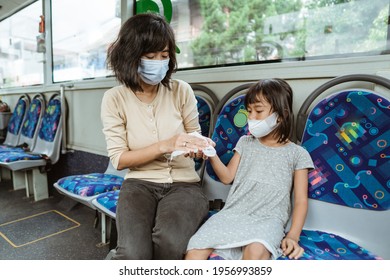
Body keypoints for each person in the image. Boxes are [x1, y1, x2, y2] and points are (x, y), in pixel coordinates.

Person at [101, 13, 211, 260]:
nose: (158, 62)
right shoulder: (114, 99)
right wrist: (166, 144)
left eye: (164, 56)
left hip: (185, 185)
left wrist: (198, 147)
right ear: (130, 56)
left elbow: (195, 136)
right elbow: (119, 159)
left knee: (170, 244)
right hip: (139, 183)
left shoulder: (181, 91)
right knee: (133, 254)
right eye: (150, 57)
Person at [185, 79, 314, 260]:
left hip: (268, 219)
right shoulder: (245, 143)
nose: (252, 117)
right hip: (233, 213)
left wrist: (293, 236)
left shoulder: (297, 154)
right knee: (195, 250)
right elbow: (227, 177)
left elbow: (301, 201)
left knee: (256, 251)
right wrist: (211, 154)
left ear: (281, 115)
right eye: (249, 111)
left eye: (259, 111)